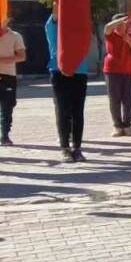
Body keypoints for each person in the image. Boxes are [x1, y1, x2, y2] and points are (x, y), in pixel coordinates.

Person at [45, 12, 89, 161]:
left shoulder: (80, 28)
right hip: (59, 71)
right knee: (63, 110)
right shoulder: (54, 26)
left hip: (80, 71)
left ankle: (77, 148)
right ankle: (65, 148)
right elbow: (57, 10)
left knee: (78, 112)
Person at [103, 14, 131, 138]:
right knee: (114, 99)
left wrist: (130, 41)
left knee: (128, 99)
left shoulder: (130, 36)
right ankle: (117, 126)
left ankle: (127, 125)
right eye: (120, 24)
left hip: (128, 70)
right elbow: (107, 27)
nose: (122, 26)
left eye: (124, 24)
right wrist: (121, 19)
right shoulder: (110, 35)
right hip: (112, 71)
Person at [0, 18, 23, 145]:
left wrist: (3, 60)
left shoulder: (15, 36)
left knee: (7, 107)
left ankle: (4, 135)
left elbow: (22, 56)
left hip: (8, 76)